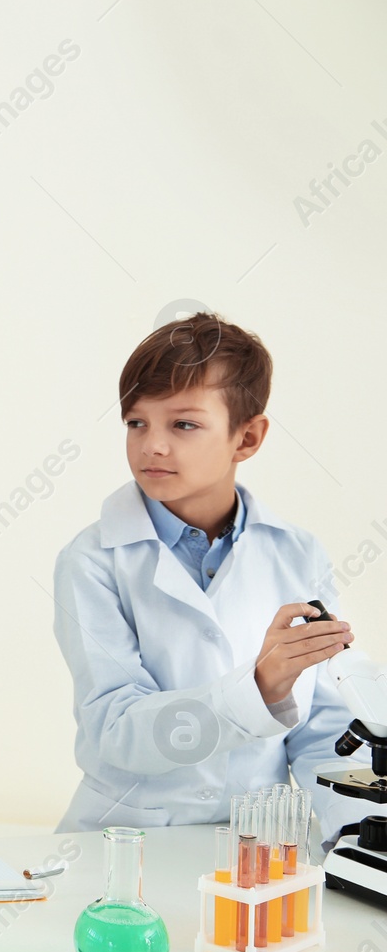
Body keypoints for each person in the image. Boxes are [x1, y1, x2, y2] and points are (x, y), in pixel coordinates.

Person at [53, 312, 370, 844]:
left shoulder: (297, 553)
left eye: (183, 424)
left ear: (247, 438)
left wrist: (357, 838)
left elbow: (322, 733)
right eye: (136, 422)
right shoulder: (91, 560)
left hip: (255, 846)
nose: (152, 444)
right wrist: (259, 687)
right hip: (123, 844)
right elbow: (115, 729)